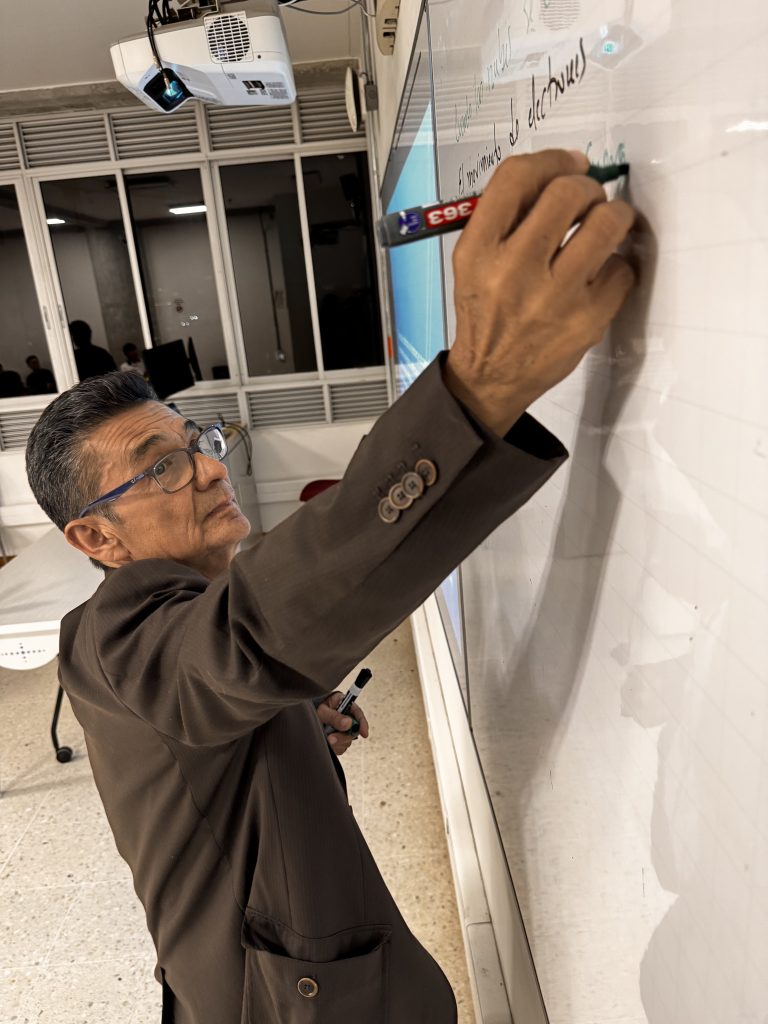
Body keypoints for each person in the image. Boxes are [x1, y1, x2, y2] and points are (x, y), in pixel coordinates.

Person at [25, 151, 636, 1023]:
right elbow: (241, 639)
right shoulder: (109, 635)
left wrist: (284, 731)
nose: (209, 469)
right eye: (161, 468)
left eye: (195, 443)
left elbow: (210, 690)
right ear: (94, 537)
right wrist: (478, 386)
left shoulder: (172, 630)